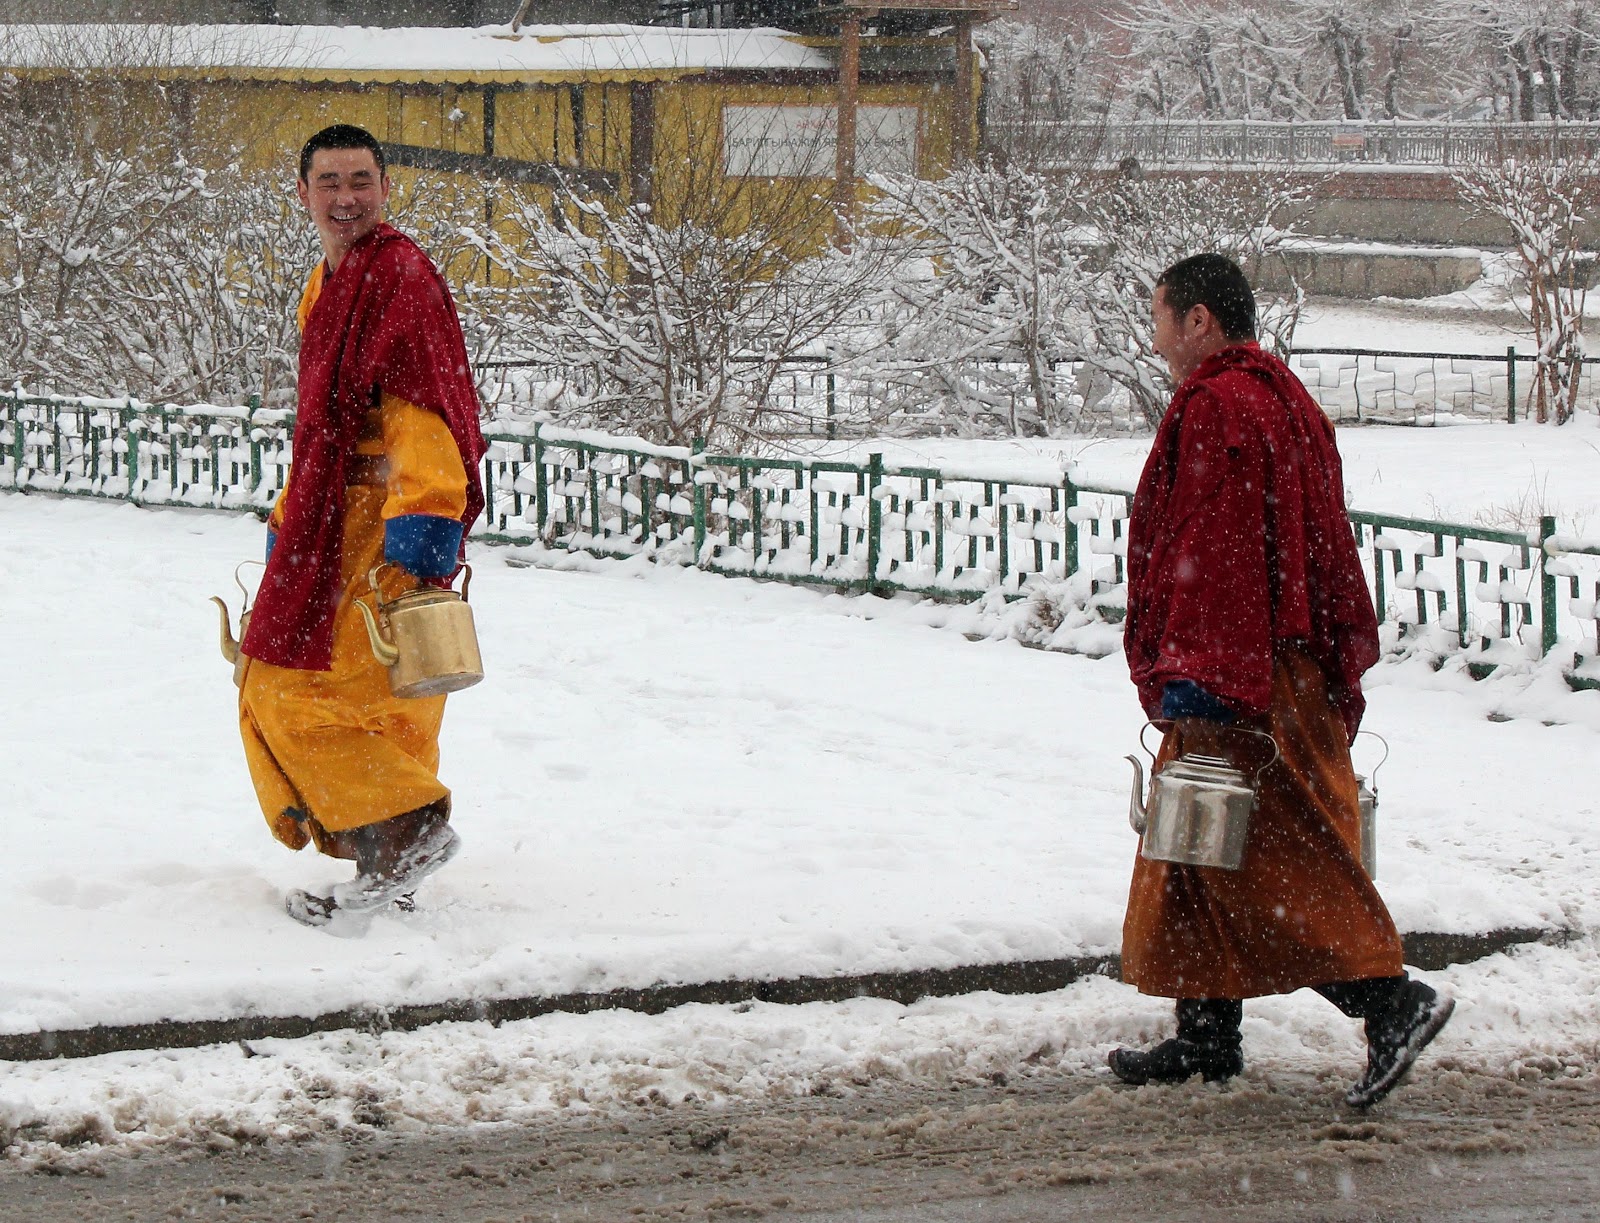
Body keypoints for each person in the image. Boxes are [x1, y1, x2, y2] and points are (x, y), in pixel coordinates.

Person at [1109, 253, 1453, 1110]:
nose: (1154, 339)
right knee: (1193, 850)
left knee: (1264, 861)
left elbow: (1210, 547)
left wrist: (1202, 672)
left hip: (1241, 670)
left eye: (1160, 319)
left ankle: (1392, 1003)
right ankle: (1206, 1035)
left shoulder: (1218, 404)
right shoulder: (1284, 397)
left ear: (1198, 321)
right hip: (1286, 661)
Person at [235, 124, 487, 928]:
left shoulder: (398, 277)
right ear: (302, 192)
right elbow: (320, 427)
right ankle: (387, 858)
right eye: (330, 182)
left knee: (294, 687)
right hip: (330, 519)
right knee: (370, 697)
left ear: (385, 187)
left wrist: (422, 535)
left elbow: (426, 408)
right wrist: (290, 523)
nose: (346, 198)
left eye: (360, 181)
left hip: (387, 523)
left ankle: (407, 831)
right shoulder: (329, 284)